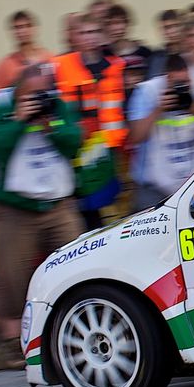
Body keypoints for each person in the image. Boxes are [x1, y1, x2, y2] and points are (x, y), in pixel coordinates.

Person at [0, 63, 82, 351]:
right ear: (18, 91)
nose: (39, 99)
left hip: (58, 206)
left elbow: (74, 142)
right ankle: (16, 346)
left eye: (43, 93)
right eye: (32, 95)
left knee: (77, 269)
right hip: (15, 209)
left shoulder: (57, 105)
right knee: (13, 281)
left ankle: (72, 333)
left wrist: (52, 127)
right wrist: (19, 120)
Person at [126, 53, 194, 209]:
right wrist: (158, 109)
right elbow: (136, 137)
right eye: (176, 83)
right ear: (166, 78)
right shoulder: (147, 91)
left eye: (185, 83)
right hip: (155, 185)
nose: (181, 89)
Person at [53, 14, 127, 230]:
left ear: (102, 34)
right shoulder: (60, 66)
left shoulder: (116, 67)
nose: (89, 37)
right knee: (82, 218)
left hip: (110, 153)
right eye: (84, 32)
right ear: (75, 36)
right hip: (74, 151)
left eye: (94, 32)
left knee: (112, 218)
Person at [0, 10, 52, 89]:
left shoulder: (48, 58)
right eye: (18, 27)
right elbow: (0, 94)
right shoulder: (6, 65)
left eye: (28, 26)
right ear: (13, 32)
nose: (23, 31)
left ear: (35, 29)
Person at [147, 9, 185, 78]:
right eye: (167, 27)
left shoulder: (193, 53)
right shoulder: (156, 58)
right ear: (162, 31)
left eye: (177, 25)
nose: (173, 31)